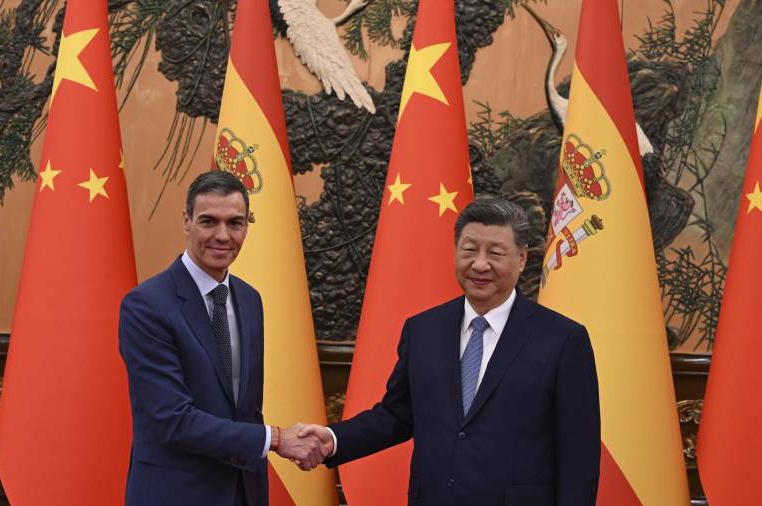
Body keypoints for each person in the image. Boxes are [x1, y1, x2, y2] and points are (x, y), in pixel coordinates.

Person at [299, 197, 601, 505]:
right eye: (469, 250)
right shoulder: (423, 330)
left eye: (495, 253)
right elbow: (396, 416)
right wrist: (333, 440)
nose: (480, 264)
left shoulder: (562, 340)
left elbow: (579, 457)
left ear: (521, 258)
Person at [119, 171, 325, 506]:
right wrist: (275, 439)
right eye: (208, 221)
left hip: (244, 493)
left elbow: (246, 410)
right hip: (175, 495)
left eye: (235, 223)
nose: (222, 235)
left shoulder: (250, 299)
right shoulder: (147, 305)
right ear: (186, 221)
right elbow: (172, 420)